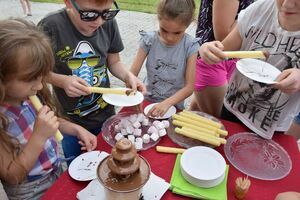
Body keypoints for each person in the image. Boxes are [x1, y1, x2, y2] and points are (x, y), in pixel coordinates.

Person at [0, 18, 97, 200]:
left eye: (41, 76)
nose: (38, 85)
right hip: (30, 190)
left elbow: (51, 121)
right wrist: (39, 136)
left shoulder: (29, 94)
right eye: (30, 79)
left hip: (56, 169)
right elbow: (12, 175)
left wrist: (77, 129)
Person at [38, 0, 145, 161]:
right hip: (71, 121)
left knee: (109, 161)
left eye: (106, 12)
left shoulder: (108, 23)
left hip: (105, 113)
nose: (99, 21)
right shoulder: (51, 27)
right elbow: (36, 71)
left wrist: (128, 76)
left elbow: (114, 62)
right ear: (69, 3)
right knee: (78, 165)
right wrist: (62, 81)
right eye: (89, 14)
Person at [198, 0, 300, 139]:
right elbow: (223, 49)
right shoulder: (259, 10)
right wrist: (208, 50)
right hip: (232, 108)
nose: (286, 4)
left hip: (271, 126)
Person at [130, 0, 199, 117]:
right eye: (164, 30)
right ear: (158, 19)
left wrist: (166, 103)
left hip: (174, 106)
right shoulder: (149, 40)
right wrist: (133, 94)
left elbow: (189, 87)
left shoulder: (190, 46)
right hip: (147, 101)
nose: (170, 38)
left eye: (177, 33)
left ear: (189, 24)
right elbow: (132, 74)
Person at [190, 0, 253, 117]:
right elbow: (223, 37)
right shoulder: (255, 11)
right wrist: (256, 13)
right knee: (217, 120)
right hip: (212, 60)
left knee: (196, 112)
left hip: (229, 59)